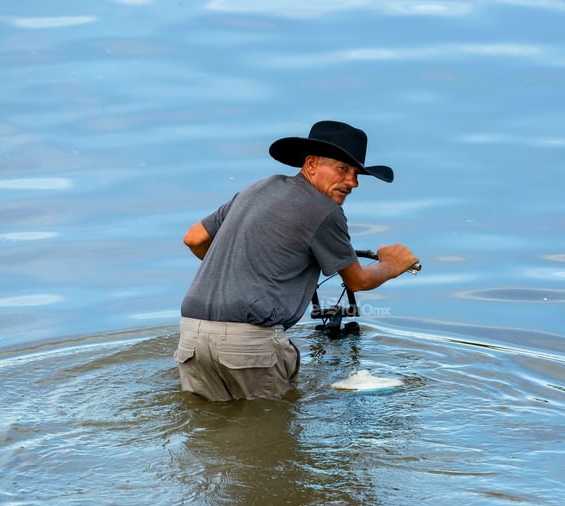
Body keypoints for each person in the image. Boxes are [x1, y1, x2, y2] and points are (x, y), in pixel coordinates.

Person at [174, 120, 418, 401]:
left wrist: (244, 271)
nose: (353, 182)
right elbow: (358, 280)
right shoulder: (324, 210)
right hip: (248, 342)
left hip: (191, 332)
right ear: (311, 164)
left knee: (210, 433)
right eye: (343, 169)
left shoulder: (259, 188)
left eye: (356, 173)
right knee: (269, 439)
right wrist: (393, 264)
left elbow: (194, 238)